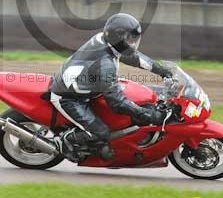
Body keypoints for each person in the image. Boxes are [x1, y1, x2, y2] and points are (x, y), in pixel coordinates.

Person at [49, 13, 172, 162]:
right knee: (100, 133)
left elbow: (133, 57)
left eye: (134, 40)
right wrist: (148, 115)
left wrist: (161, 70)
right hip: (69, 98)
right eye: (130, 40)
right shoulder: (105, 64)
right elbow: (117, 104)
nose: (133, 44)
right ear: (118, 38)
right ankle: (64, 141)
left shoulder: (107, 41)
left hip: (85, 84)